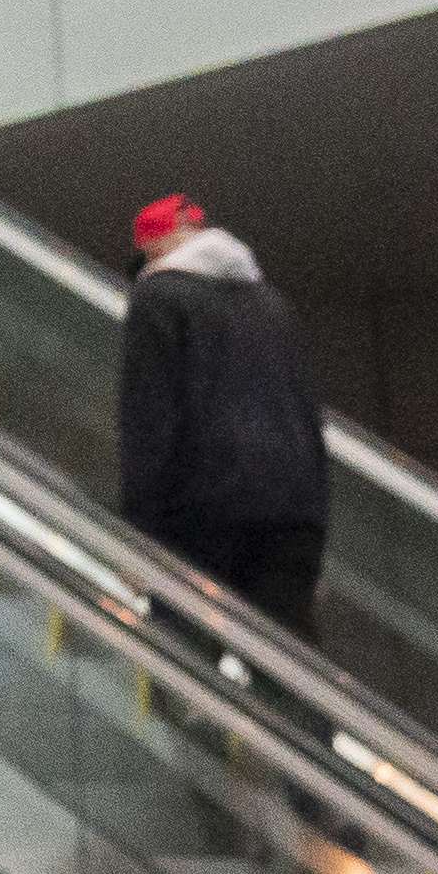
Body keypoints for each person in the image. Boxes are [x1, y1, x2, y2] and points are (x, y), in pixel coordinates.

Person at [113, 191, 331, 633]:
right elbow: (308, 414)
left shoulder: (158, 296)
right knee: (285, 665)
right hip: (293, 510)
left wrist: (138, 538)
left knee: (183, 652)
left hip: (199, 514)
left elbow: (149, 425)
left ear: (153, 248)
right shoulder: (270, 303)